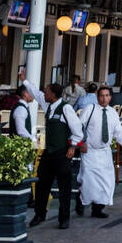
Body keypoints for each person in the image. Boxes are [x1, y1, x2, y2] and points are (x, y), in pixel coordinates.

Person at [30, 81, 83, 229]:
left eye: (47, 91)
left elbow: (77, 129)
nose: (44, 94)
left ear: (53, 94)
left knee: (64, 186)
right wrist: (25, 81)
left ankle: (64, 218)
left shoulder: (65, 108)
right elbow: (37, 94)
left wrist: (73, 146)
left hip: (62, 152)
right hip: (48, 152)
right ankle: (40, 214)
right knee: (41, 184)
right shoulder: (48, 106)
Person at [76, 85, 122, 218]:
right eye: (101, 96)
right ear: (97, 97)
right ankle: (81, 201)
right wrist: (82, 143)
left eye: (107, 96)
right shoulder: (90, 109)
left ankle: (98, 209)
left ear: (110, 97)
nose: (104, 99)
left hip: (105, 151)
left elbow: (118, 130)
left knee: (106, 181)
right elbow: (79, 126)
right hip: (90, 151)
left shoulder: (112, 113)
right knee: (89, 179)